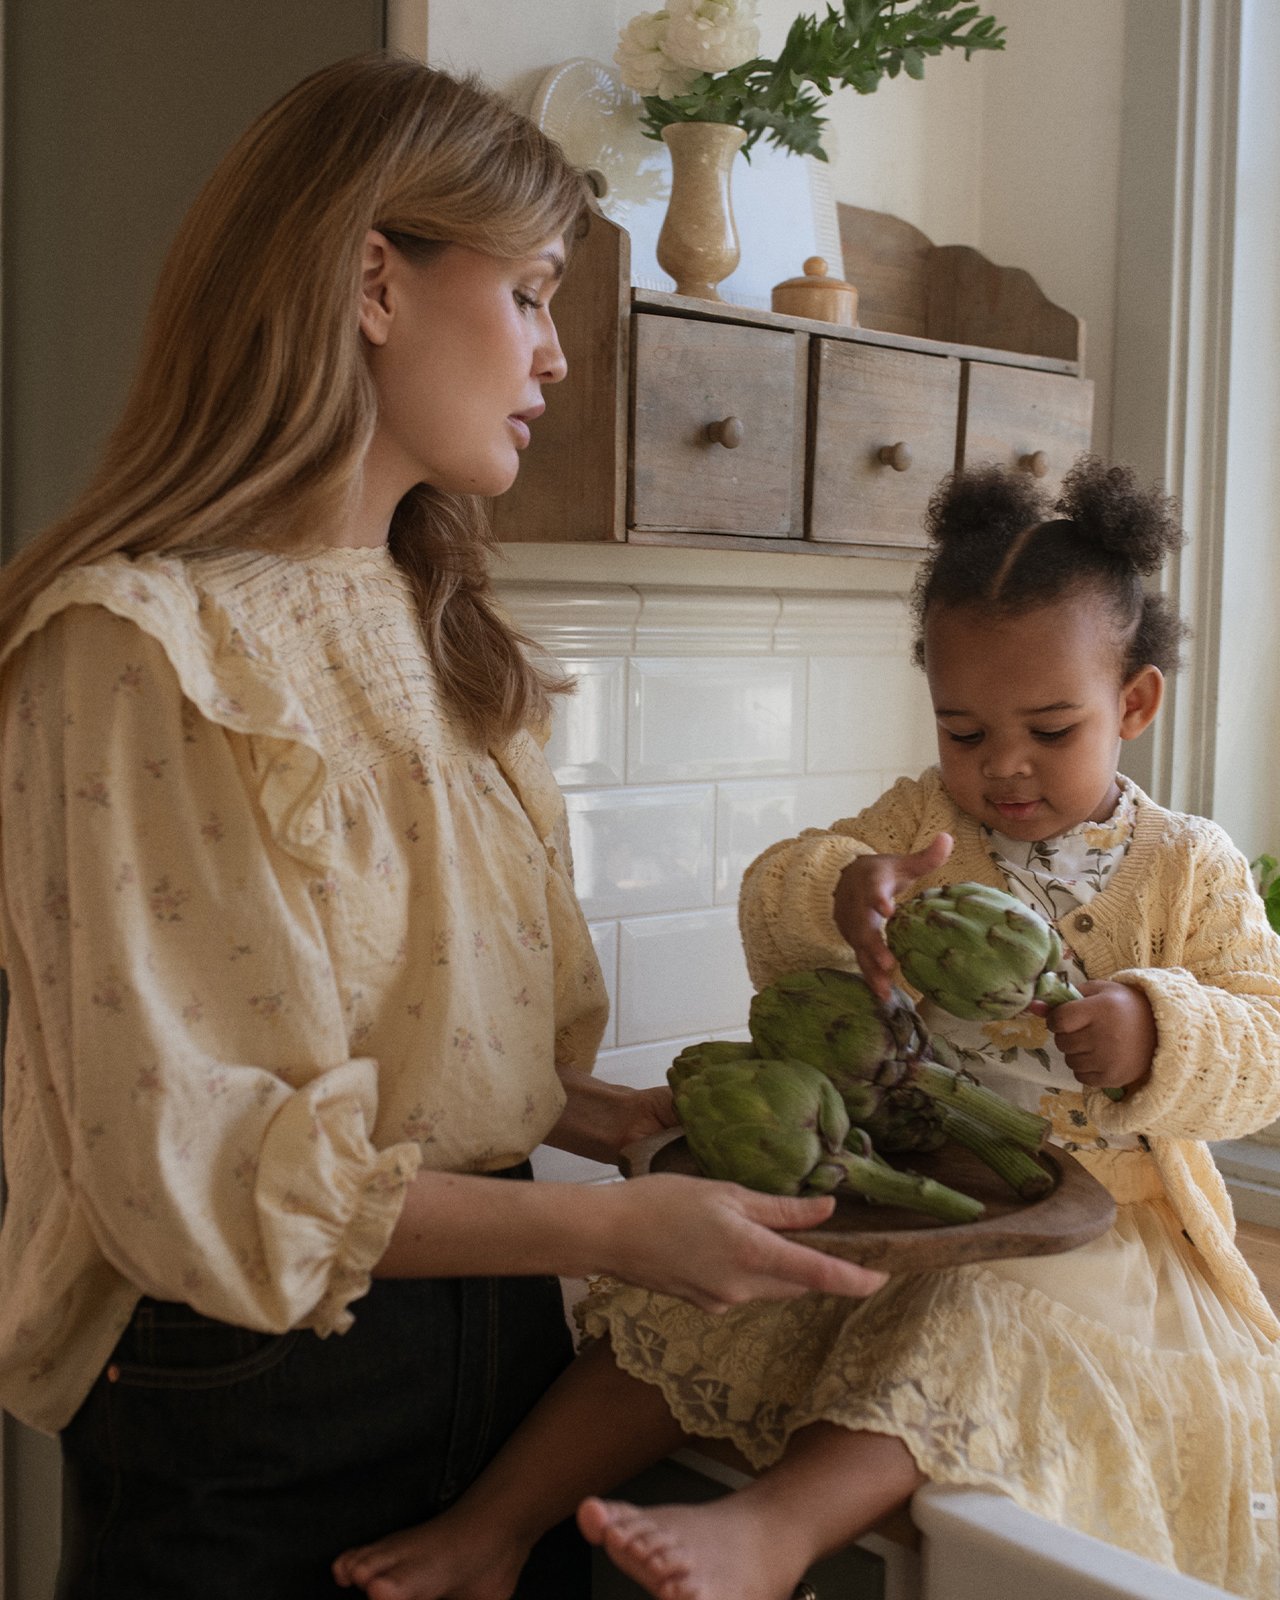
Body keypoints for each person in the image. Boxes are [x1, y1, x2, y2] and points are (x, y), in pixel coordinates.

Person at [0, 52, 888, 1600]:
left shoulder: (439, 629)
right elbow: (191, 1164)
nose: (556, 354)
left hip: (496, 1353)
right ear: (371, 281)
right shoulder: (139, 646)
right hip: (253, 1394)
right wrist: (620, 1232)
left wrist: (614, 1124)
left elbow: (422, 1053)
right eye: (535, 293)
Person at [330, 455, 1280, 1600]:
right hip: (904, 1184)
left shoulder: (1187, 866)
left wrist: (1155, 1027)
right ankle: (496, 1523)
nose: (1002, 766)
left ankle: (769, 1532)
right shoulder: (919, 820)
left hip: (1092, 1241)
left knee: (983, 1321)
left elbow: (1265, 1040)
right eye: (963, 731)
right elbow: (780, 889)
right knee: (703, 1300)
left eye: (1047, 727)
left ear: (1132, 701)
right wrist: (842, 889)